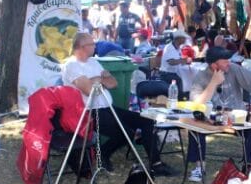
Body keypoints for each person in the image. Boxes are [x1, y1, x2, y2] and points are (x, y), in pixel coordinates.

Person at [60, 32, 174, 175]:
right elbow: (89, 90)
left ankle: (156, 164)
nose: (95, 46)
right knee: (127, 132)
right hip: (90, 112)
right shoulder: (71, 65)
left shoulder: (93, 62)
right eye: (92, 44)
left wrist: (97, 79)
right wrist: (101, 78)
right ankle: (103, 154)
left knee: (146, 120)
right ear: (82, 47)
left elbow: (113, 83)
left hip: (108, 108)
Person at [186, 47, 251, 182]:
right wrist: (213, 82)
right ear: (214, 65)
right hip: (211, 120)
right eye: (225, 61)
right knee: (194, 123)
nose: (228, 63)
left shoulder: (234, 69)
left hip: (236, 118)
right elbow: (196, 104)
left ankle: (249, 166)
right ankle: (199, 167)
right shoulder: (201, 77)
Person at [159, 30, 190, 96]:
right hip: (166, 74)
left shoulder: (178, 48)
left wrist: (184, 61)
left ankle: (184, 96)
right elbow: (171, 62)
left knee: (186, 77)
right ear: (178, 38)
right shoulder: (169, 48)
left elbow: (179, 61)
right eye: (183, 38)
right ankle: (180, 98)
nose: (185, 39)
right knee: (180, 80)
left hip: (173, 73)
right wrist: (182, 60)